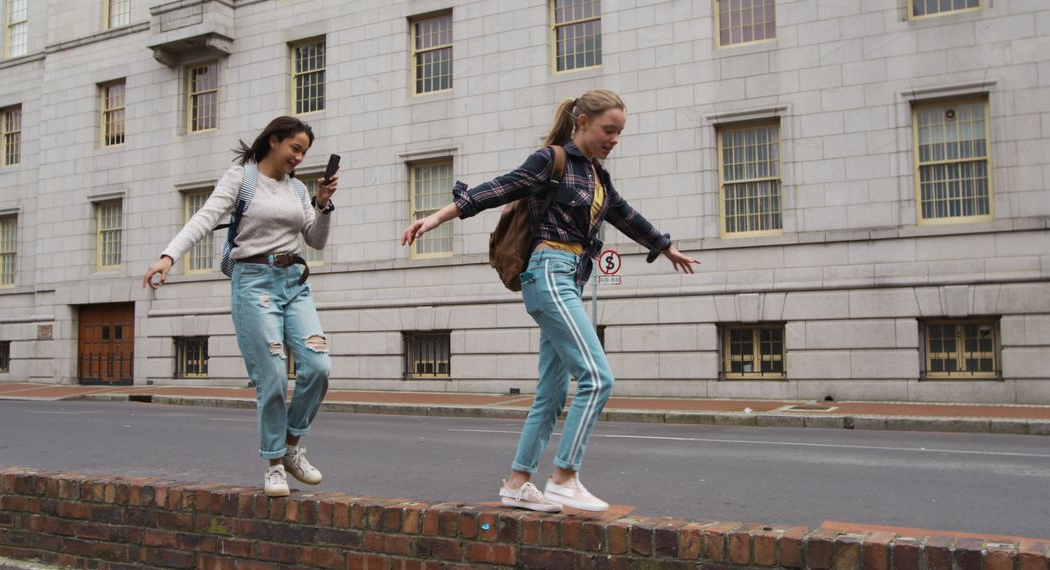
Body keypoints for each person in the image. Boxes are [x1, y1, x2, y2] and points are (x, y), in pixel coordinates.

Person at [402, 89, 700, 512]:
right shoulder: (550, 161)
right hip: (548, 273)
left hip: (569, 281)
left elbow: (626, 215)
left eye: (619, 133)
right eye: (608, 130)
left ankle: (518, 481)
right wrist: (436, 218)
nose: (614, 139)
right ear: (582, 123)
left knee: (553, 392)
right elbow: (497, 189)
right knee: (598, 379)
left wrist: (665, 247)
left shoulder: (598, 177)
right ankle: (564, 477)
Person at [142, 116, 338, 497]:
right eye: (294, 148)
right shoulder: (242, 179)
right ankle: (275, 463)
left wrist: (324, 205)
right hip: (254, 283)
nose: (298, 157)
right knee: (274, 376)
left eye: (304, 152)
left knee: (318, 366)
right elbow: (204, 218)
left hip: (293, 283)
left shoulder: (298, 190)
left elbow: (315, 240)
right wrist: (168, 256)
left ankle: (292, 445)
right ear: (274, 141)